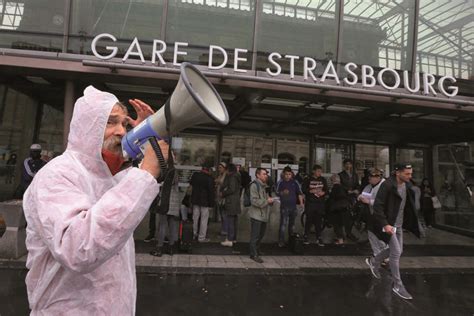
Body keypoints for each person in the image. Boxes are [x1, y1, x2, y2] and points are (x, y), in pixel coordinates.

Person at [22, 86, 168, 314]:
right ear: (87, 126)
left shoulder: (109, 178)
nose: (121, 131)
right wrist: (146, 172)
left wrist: (148, 137)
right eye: (110, 122)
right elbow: (78, 248)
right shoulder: (57, 175)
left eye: (124, 124)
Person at [365, 163, 420, 300]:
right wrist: (385, 224)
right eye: (407, 174)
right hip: (389, 224)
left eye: (411, 173)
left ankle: (374, 261)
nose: (410, 176)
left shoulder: (406, 185)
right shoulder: (388, 185)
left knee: (398, 251)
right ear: (398, 173)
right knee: (395, 252)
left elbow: (407, 205)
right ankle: (398, 285)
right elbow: (378, 206)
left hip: (399, 225)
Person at [357, 168, 389, 257]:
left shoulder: (385, 186)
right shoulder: (370, 186)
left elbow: (385, 202)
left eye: (371, 177)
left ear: (378, 177)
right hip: (372, 214)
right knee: (371, 233)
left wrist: (369, 201)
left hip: (382, 215)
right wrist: (360, 197)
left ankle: (385, 254)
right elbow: (363, 194)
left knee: (381, 235)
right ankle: (377, 254)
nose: (369, 179)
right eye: (369, 177)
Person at [150, 173, 181, 257]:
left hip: (165, 204)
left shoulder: (165, 180)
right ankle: (171, 248)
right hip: (174, 205)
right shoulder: (175, 179)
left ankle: (159, 248)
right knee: (173, 226)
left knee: (162, 226)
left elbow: (160, 192)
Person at [248, 168, 273, 263]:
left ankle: (257, 250)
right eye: (263, 174)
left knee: (261, 235)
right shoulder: (254, 186)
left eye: (266, 174)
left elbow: (264, 199)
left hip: (263, 215)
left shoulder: (264, 186)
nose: (266, 175)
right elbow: (254, 201)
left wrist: (270, 200)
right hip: (256, 215)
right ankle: (253, 254)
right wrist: (267, 201)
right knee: (255, 236)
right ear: (258, 175)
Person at [276, 166, 304, 247]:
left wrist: (301, 203)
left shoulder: (295, 182)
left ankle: (291, 241)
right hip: (284, 207)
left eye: (289, 174)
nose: (288, 175)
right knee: (283, 225)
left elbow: (299, 193)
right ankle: (281, 241)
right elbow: (277, 192)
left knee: (292, 226)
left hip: (293, 207)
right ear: (283, 174)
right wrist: (282, 192)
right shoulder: (280, 182)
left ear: (291, 174)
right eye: (286, 174)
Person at [302, 164, 328, 246]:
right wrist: (310, 191)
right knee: (309, 220)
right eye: (318, 171)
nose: (319, 173)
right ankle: (306, 236)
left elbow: (326, 190)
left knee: (318, 220)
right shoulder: (308, 179)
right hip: (310, 202)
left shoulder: (323, 179)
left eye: (320, 171)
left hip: (320, 203)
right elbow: (303, 189)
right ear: (313, 171)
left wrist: (323, 192)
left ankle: (319, 237)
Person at [189, 166, 215, 242]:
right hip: (205, 201)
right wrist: (211, 204)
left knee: (195, 218)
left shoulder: (195, 175)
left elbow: (191, 184)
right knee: (204, 219)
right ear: (208, 170)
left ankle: (194, 234)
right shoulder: (209, 179)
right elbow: (211, 192)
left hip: (195, 200)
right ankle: (201, 237)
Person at [220, 163, 241, 247]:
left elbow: (231, 189)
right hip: (235, 201)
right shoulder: (237, 176)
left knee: (230, 221)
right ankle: (234, 238)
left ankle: (229, 239)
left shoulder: (232, 177)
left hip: (231, 201)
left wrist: (223, 193)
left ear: (229, 170)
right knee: (234, 220)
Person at [338, 159, 360, 241]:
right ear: (344, 165)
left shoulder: (355, 175)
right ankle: (343, 233)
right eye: (346, 164)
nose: (348, 166)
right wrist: (348, 190)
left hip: (353, 197)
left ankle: (349, 232)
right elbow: (340, 185)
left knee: (352, 216)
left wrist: (357, 190)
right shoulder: (340, 175)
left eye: (349, 164)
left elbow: (357, 184)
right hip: (344, 197)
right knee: (345, 215)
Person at [327, 174, 351, 245]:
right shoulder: (343, 187)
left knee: (337, 225)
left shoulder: (335, 188)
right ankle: (342, 238)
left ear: (333, 180)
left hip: (337, 209)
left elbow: (332, 198)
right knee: (341, 225)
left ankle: (340, 240)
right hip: (345, 208)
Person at [215, 162, 227, 234]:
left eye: (220, 168)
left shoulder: (226, 176)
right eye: (218, 168)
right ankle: (223, 228)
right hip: (219, 197)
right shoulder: (220, 175)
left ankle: (225, 229)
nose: (219, 169)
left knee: (224, 214)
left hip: (223, 198)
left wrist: (218, 181)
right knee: (222, 214)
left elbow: (224, 184)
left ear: (224, 168)